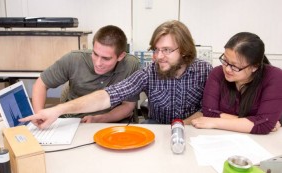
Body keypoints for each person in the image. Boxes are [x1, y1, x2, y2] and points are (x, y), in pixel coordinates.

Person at [20, 20, 212, 128]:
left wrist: (181, 126)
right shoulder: (149, 72)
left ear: (185, 50)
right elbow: (108, 95)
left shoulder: (205, 71)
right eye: (156, 49)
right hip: (158, 127)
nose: (158, 56)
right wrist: (57, 110)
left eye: (166, 50)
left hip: (193, 128)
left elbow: (209, 110)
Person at [32, 25, 140, 123]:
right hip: (74, 121)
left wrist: (99, 119)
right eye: (95, 54)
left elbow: (128, 106)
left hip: (111, 121)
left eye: (106, 59)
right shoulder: (74, 59)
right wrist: (39, 115)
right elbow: (41, 83)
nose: (98, 63)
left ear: (120, 56)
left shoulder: (131, 65)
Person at [191, 32, 282, 134]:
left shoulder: (274, 76)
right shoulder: (217, 73)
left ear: (254, 66)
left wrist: (215, 122)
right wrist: (254, 121)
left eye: (235, 66)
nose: (227, 69)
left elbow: (263, 125)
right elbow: (209, 112)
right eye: (225, 60)